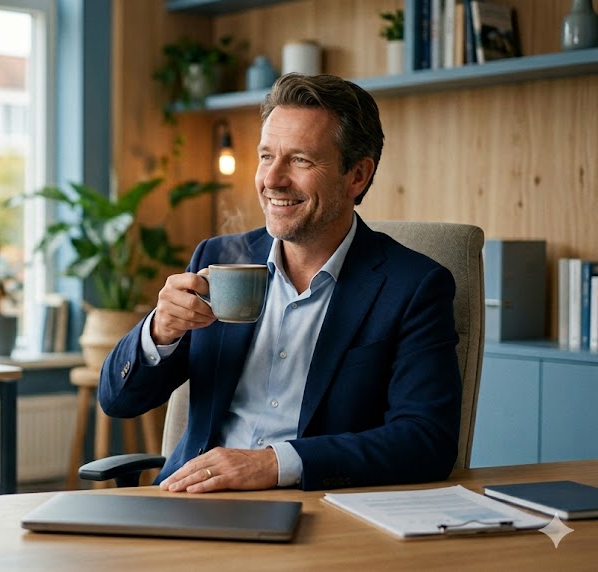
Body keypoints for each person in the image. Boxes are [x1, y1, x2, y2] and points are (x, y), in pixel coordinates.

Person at [98, 73, 461, 492]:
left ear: (357, 176)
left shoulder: (414, 286)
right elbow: (118, 401)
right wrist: (161, 330)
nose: (272, 180)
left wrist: (274, 464)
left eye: (300, 160)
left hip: (318, 512)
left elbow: (426, 441)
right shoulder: (216, 261)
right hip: (190, 501)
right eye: (267, 156)